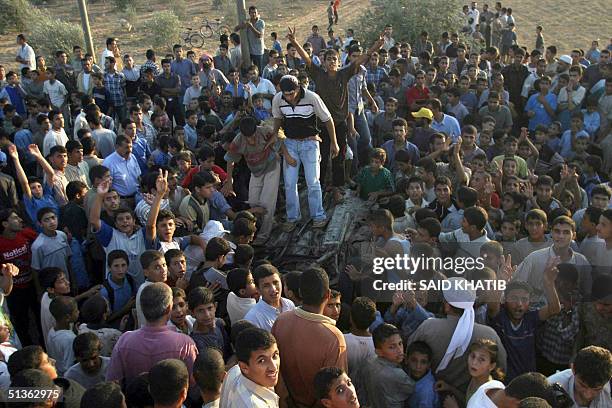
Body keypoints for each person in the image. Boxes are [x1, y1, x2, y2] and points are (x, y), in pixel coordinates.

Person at [408, 277, 507, 392]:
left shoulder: (429, 327)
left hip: (431, 393)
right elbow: (501, 368)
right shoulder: (489, 334)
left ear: (447, 305)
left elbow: (409, 354)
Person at [272, 267, 347, 407]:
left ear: (300, 292)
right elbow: (336, 388)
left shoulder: (281, 321)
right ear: (328, 295)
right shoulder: (334, 338)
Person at [270, 75, 335, 231]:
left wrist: (334, 142)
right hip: (290, 142)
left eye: (291, 93)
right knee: (290, 183)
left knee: (313, 181)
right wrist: (275, 135)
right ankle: (292, 217)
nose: (289, 97)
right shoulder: (278, 99)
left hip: (310, 143)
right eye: (286, 94)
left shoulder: (312, 97)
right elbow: (278, 119)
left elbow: (327, 119)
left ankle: (318, 216)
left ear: (298, 88)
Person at [106, 283, 198, 387]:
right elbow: (193, 383)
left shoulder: (124, 341)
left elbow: (112, 383)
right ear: (169, 309)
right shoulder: (185, 344)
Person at [220, 327, 280, 407]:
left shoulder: (234, 371)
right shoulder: (253, 405)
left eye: (275, 355)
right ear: (244, 367)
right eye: (262, 361)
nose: (274, 367)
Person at [363, 323, 414, 407]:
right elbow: (411, 389)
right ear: (379, 351)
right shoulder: (397, 375)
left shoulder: (369, 361)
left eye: (400, 343)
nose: (399, 350)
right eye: (392, 347)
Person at [244, 264, 294, 331]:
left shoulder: (289, 304)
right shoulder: (253, 319)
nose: (273, 289)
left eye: (275, 282)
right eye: (266, 286)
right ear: (258, 289)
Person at [47, 295, 78, 376]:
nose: (78, 312)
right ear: (68, 317)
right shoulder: (70, 339)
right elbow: (69, 366)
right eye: (76, 311)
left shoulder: (52, 331)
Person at [235, 6, 266, 71]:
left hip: (258, 51)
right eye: (252, 13)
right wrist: (241, 25)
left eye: (255, 12)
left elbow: (259, 35)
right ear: (249, 14)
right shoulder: (248, 22)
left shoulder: (260, 22)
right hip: (249, 51)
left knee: (259, 70)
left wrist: (251, 27)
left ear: (257, 13)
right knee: (248, 69)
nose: (253, 14)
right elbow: (235, 29)